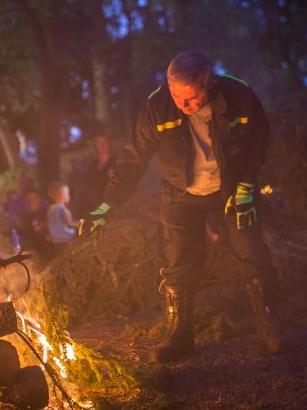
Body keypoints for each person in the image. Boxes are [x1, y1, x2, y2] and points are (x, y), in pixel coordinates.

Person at [79, 52, 284, 362]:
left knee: (252, 252)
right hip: (181, 192)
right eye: (177, 97)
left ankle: (269, 325)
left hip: (232, 188)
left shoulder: (239, 95)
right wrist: (106, 205)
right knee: (179, 264)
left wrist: (245, 187)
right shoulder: (156, 106)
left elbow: (259, 142)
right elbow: (132, 160)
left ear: (209, 85)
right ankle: (179, 335)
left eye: (192, 99)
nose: (183, 105)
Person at [46, 182, 79, 256]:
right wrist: (81, 223)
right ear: (61, 195)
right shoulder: (63, 209)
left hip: (56, 241)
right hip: (67, 240)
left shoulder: (50, 209)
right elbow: (70, 223)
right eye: (67, 193)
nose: (69, 196)